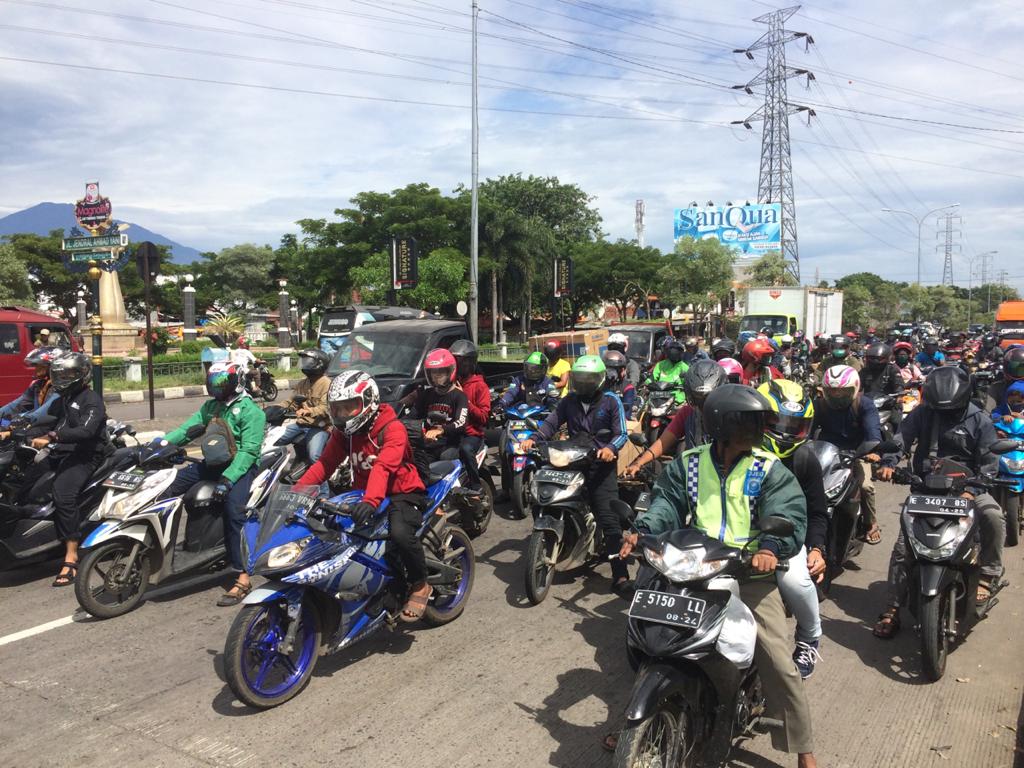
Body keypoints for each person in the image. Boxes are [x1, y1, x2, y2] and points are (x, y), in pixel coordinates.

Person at [620, 385, 817, 767]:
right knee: (648, 631)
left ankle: (803, 748)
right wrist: (642, 532)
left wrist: (768, 550)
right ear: (726, 425)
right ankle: (639, 716)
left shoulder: (768, 469)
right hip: (695, 565)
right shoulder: (689, 463)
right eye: (754, 422)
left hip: (749, 572)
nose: (763, 429)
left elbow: (789, 514)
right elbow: (667, 504)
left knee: (776, 657)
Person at [873, 366, 1005, 638]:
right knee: (902, 548)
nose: (944, 414)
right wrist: (889, 463)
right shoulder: (923, 412)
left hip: (969, 489)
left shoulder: (979, 420)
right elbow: (901, 439)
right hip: (926, 490)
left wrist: (974, 488)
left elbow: (990, 460)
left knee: (993, 516)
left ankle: (988, 575)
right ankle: (892, 609)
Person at [296, 370, 432, 621]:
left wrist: (370, 501)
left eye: (350, 407)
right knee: (338, 535)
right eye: (338, 409)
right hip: (364, 494)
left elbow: (383, 467)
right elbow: (324, 465)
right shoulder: (343, 434)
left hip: (402, 492)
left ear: (369, 402)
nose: (343, 414)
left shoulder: (393, 429)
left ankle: (420, 584)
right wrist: (296, 494)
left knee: (401, 535)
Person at [518, 355, 631, 594]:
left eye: (589, 379)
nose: (584, 384)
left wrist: (610, 449)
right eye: (580, 379)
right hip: (572, 460)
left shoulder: (611, 401)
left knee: (609, 520)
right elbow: (550, 423)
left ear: (600, 379)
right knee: (543, 495)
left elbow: (621, 433)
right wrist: (533, 439)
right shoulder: (568, 401)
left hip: (600, 467)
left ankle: (620, 575)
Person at [161, 362, 266, 605]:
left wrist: (228, 480)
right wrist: (161, 444)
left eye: (222, 382)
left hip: (240, 467)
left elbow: (248, 452)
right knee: (170, 484)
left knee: (234, 511)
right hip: (212, 463)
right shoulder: (211, 407)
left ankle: (243, 575)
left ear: (236, 381)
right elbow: (187, 430)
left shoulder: (251, 411)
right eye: (214, 382)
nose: (217, 387)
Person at [758, 379, 827, 678]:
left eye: (795, 424)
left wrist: (816, 549)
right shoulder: (739, 448)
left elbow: (817, 512)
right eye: (779, 421)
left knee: (796, 582)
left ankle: (809, 636)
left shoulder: (804, 459)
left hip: (788, 537)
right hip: (737, 532)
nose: (786, 431)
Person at [22, 353, 105, 587]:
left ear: (81, 375)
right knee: (27, 484)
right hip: (62, 451)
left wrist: (53, 436)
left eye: (68, 375)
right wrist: (15, 429)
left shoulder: (91, 399)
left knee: (63, 494)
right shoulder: (64, 399)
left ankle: (71, 554)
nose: (62, 379)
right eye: (60, 375)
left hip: (86, 455)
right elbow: (45, 420)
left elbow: (86, 432)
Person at [813, 364, 883, 545]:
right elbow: (808, 428)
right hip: (825, 454)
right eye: (832, 391)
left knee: (866, 486)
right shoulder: (819, 404)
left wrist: (872, 451)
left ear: (855, 388)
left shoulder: (864, 404)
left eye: (842, 392)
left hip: (857, 453)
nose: (836, 396)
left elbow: (872, 430)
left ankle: (871, 523)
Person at [621, 359, 726, 478]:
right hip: (694, 475)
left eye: (707, 399)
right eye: (697, 399)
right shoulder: (687, 412)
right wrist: (638, 463)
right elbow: (662, 442)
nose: (702, 405)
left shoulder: (730, 416)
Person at [411, 348, 469, 481]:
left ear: (450, 372)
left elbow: (461, 422)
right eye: (433, 372)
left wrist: (441, 430)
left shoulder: (459, 396)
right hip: (427, 444)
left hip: (450, 444)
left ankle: (455, 494)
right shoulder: (427, 394)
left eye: (441, 372)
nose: (436, 376)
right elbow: (413, 415)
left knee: (445, 459)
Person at [274, 348, 332, 463]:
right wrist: (274, 408)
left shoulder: (327, 384)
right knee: (274, 440)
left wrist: (309, 411)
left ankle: (321, 480)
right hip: (301, 424)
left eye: (308, 362)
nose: (304, 365)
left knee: (314, 456)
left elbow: (326, 408)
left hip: (319, 426)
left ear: (319, 364)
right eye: (304, 361)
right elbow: (291, 401)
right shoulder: (303, 383)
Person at [450, 339, 489, 494]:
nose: (458, 366)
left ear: (470, 363)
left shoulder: (480, 386)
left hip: (472, 434)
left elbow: (483, 418)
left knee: (466, 449)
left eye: (461, 362)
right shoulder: (450, 383)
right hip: (452, 431)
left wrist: (463, 398)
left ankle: (475, 486)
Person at [0, 346, 65, 425]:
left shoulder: (61, 388)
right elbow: (16, 405)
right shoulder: (38, 385)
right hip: (36, 426)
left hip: (51, 430)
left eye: (39, 365)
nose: (35, 368)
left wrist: (9, 423)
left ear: (52, 366)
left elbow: (40, 415)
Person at [984, 346, 1024, 413]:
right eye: (1013, 368)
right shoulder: (996, 387)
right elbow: (988, 412)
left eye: (1021, 369)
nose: (1017, 373)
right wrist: (1000, 418)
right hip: (1002, 422)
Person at [647, 338, 688, 403]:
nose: (673, 354)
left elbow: (687, 384)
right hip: (658, 395)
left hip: (677, 398)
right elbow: (653, 377)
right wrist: (648, 382)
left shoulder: (684, 367)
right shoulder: (661, 364)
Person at [602, 349, 635, 414]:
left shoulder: (627, 387)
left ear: (622, 370)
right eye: (608, 368)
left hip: (618, 420)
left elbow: (626, 413)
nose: (610, 372)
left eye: (614, 369)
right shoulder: (600, 384)